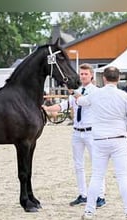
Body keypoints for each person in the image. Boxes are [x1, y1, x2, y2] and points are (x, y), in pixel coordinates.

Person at [76, 66, 127, 220]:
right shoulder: (124, 96)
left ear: (103, 78)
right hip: (119, 139)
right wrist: (126, 129)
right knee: (123, 177)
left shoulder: (95, 94)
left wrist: (73, 91)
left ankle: (89, 211)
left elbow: (81, 101)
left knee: (97, 176)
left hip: (99, 140)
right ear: (118, 79)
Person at [42, 63, 106, 207]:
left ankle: (100, 196)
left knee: (97, 164)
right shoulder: (76, 91)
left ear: (91, 75)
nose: (82, 76)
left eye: (85, 74)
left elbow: (83, 101)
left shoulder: (95, 91)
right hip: (77, 132)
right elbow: (64, 105)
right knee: (78, 165)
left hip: (91, 132)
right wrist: (46, 108)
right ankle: (83, 194)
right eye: (81, 74)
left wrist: (72, 92)